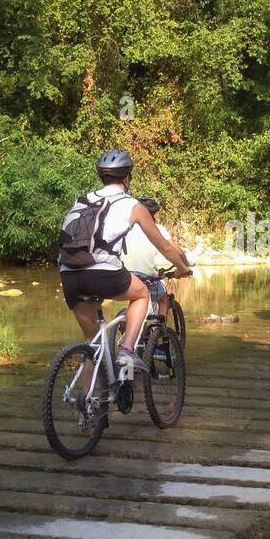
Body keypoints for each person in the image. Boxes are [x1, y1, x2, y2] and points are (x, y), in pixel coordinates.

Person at [58, 151, 191, 378]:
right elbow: (165, 247)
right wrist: (183, 268)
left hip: (68, 273)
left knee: (93, 345)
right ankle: (127, 350)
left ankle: (89, 406)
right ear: (127, 177)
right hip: (103, 272)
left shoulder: (82, 200)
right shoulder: (134, 205)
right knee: (141, 295)